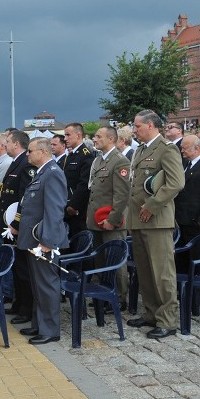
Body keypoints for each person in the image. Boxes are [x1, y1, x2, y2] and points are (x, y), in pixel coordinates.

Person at [127, 110, 185, 339]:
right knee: (145, 270)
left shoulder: (167, 148)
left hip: (157, 220)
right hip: (139, 220)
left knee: (162, 273)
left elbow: (175, 183)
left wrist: (151, 206)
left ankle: (168, 320)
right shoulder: (141, 150)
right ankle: (151, 313)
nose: (134, 130)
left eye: (137, 126)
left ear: (150, 125)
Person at [8, 137, 68, 345]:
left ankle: (50, 330)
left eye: (30, 151)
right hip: (33, 239)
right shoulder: (42, 173)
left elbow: (54, 211)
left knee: (47, 285)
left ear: (42, 152)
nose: (27, 155)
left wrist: (48, 242)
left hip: (43, 240)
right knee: (37, 285)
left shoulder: (52, 174)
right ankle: (39, 324)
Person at [85, 125, 131, 308]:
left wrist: (112, 220)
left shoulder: (120, 161)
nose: (95, 139)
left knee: (116, 260)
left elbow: (122, 196)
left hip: (111, 221)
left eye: (98, 136)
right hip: (96, 220)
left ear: (111, 139)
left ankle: (120, 297)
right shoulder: (98, 161)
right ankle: (104, 293)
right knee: (100, 259)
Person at [0, 130, 38, 325]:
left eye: (7, 142)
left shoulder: (26, 164)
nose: (5, 145)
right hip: (10, 223)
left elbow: (25, 197)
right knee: (16, 267)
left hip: (19, 225)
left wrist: (16, 223)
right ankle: (18, 302)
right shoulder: (16, 162)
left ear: (16, 144)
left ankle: (26, 308)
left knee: (23, 269)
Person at [62, 123, 95, 240]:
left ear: (78, 135)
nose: (65, 138)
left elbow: (84, 183)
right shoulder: (71, 155)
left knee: (78, 242)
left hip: (77, 211)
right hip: (66, 207)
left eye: (68, 135)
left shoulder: (85, 155)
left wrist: (73, 205)